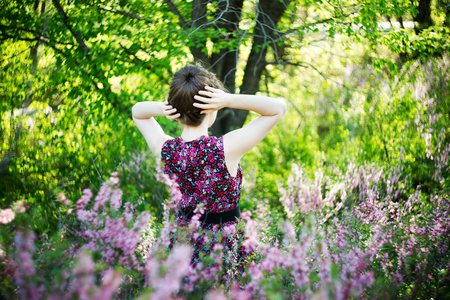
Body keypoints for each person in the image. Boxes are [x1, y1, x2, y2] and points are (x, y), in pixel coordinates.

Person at [132, 63, 286, 271]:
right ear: (212, 106)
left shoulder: (165, 149)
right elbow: (278, 108)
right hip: (223, 248)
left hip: (181, 244)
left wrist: (165, 107)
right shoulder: (225, 149)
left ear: (176, 111)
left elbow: (137, 112)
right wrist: (228, 99)